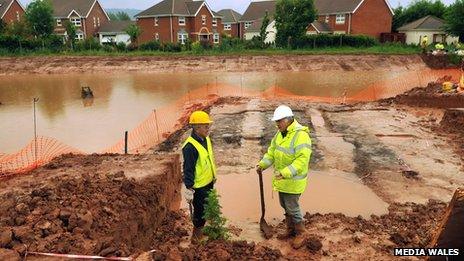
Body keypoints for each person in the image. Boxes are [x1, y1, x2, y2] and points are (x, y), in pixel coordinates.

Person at [256, 105, 312, 249]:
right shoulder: (279, 134)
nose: (277, 124)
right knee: (285, 205)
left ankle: (301, 232)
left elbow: (302, 160)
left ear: (288, 120)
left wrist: (285, 173)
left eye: (279, 121)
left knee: (292, 207)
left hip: (293, 181)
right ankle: (290, 229)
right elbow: (272, 153)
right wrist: (263, 164)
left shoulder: (301, 135)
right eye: (276, 121)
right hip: (282, 180)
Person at [182, 110, 216, 243]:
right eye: (206, 126)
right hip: (198, 186)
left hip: (208, 181)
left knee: (207, 206)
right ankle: (196, 236)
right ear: (197, 128)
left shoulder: (205, 139)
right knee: (199, 210)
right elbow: (188, 169)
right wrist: (189, 188)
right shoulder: (190, 147)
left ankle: (203, 228)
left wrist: (213, 175)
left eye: (208, 126)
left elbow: (208, 159)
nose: (208, 129)